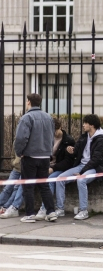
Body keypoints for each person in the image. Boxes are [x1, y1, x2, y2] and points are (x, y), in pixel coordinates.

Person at [13, 93, 58, 223]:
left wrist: (19, 152)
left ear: (28, 102)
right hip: (45, 156)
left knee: (28, 186)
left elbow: (21, 138)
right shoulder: (48, 117)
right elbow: (51, 138)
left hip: (30, 156)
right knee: (44, 185)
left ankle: (30, 214)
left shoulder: (27, 118)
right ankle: (51, 212)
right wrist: (49, 152)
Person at [54, 114, 103, 220]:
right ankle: (60, 209)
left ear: (91, 125)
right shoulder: (84, 137)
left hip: (94, 168)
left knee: (81, 180)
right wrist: (70, 150)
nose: (83, 125)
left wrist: (82, 172)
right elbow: (76, 152)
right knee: (60, 179)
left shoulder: (101, 140)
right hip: (81, 166)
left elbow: (96, 160)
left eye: (85, 123)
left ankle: (84, 211)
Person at [35, 117, 76, 220]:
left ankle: (45, 208)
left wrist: (53, 168)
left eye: (55, 131)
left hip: (60, 168)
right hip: (49, 166)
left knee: (51, 180)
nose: (54, 133)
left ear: (60, 127)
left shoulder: (68, 140)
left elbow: (68, 162)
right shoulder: (49, 137)